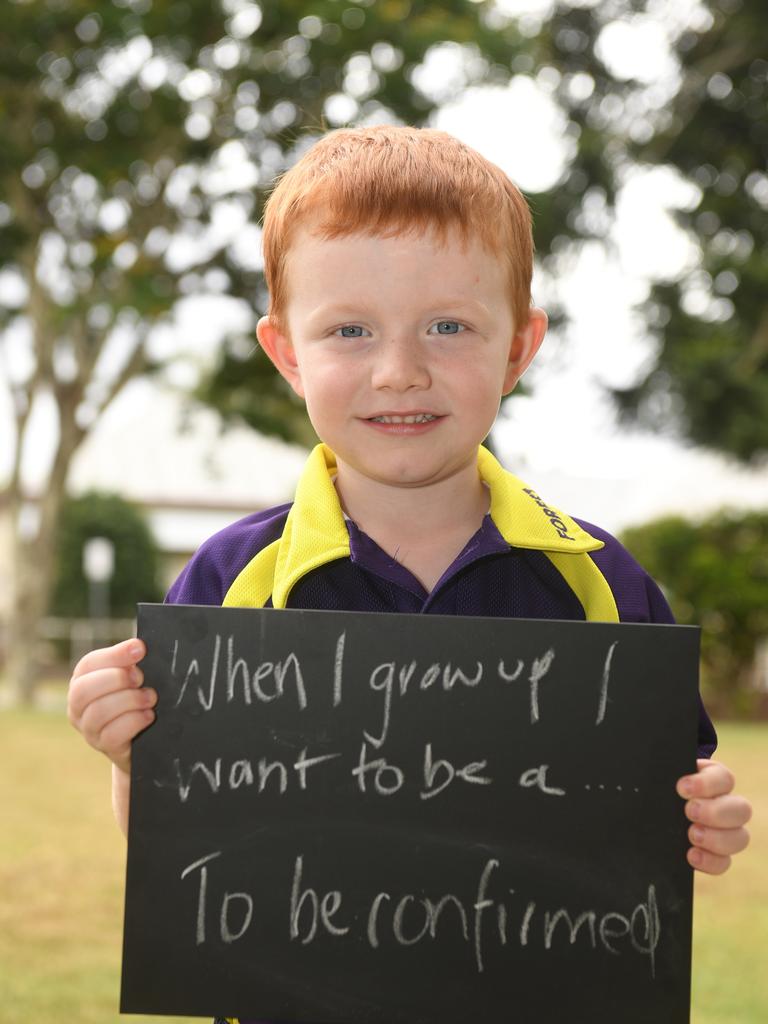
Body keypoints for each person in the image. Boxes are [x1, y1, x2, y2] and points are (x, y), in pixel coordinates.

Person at [68, 124, 751, 1013]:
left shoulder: (601, 581)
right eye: (349, 329)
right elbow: (187, 853)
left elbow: (665, 811)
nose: (400, 371)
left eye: (448, 326)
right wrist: (131, 758)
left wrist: (705, 823)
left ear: (518, 348)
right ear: (286, 353)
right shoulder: (234, 578)